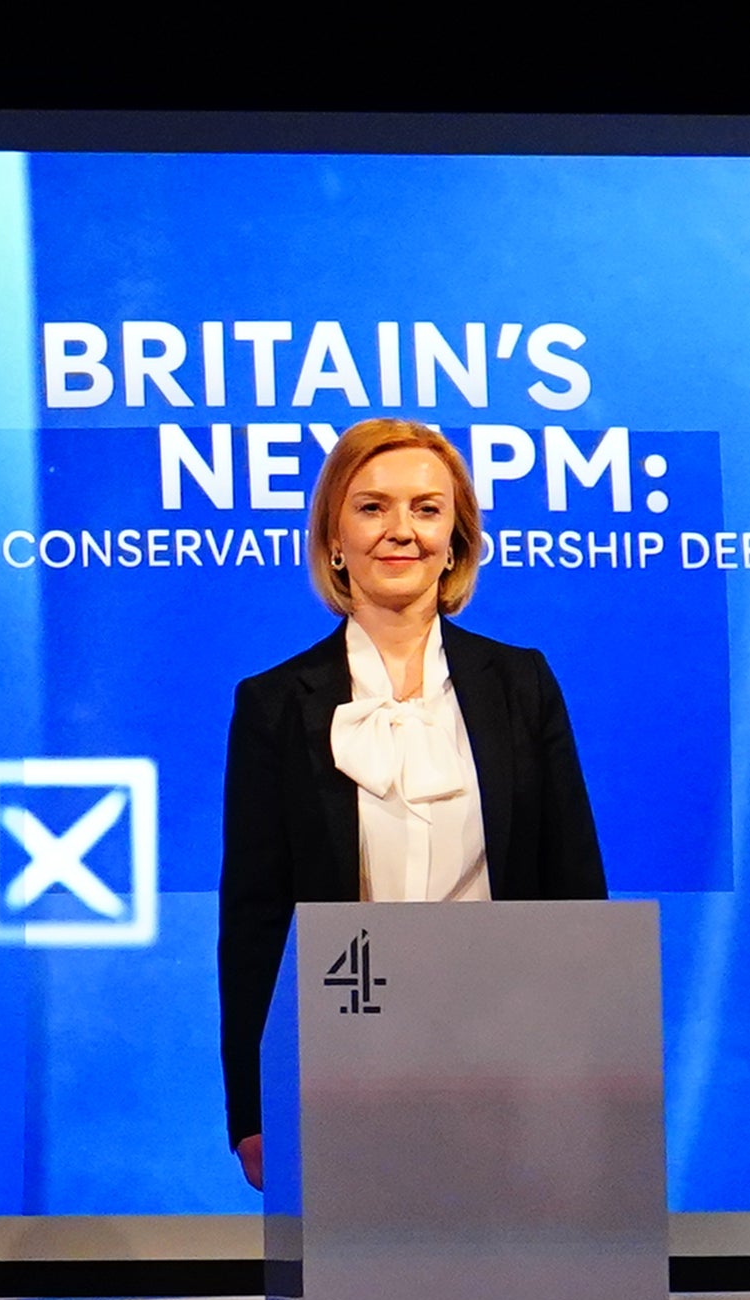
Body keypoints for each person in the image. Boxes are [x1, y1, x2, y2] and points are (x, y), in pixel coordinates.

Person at [219, 417, 605, 1189]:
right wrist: (251, 1107)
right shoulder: (274, 704)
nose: (401, 530)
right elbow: (255, 920)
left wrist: (596, 1074)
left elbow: (575, 889)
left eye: (426, 509)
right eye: (371, 507)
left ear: (456, 536)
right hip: (347, 1065)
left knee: (517, 1295)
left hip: (512, 1065)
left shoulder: (521, 683)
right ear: (334, 534)